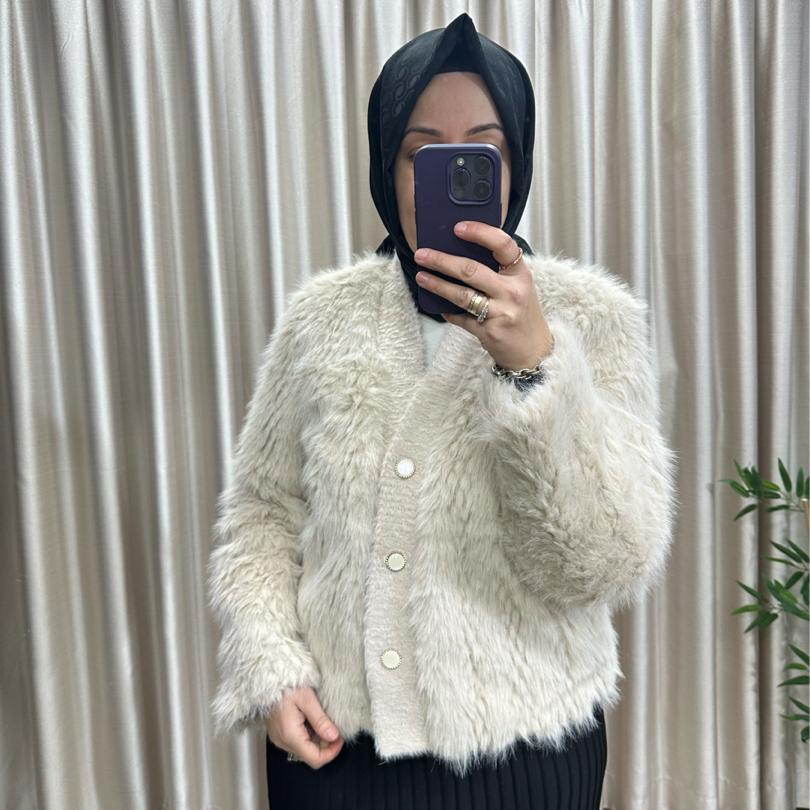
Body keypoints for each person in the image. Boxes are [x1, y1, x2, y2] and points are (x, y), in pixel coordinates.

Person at [206, 12, 678, 810]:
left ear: (515, 166)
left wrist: (535, 368)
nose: (451, 175)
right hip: (338, 754)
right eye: (423, 154)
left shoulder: (591, 320)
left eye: (481, 153)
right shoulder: (320, 319)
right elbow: (262, 513)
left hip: (526, 759)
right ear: (387, 170)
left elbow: (605, 562)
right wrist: (270, 668)